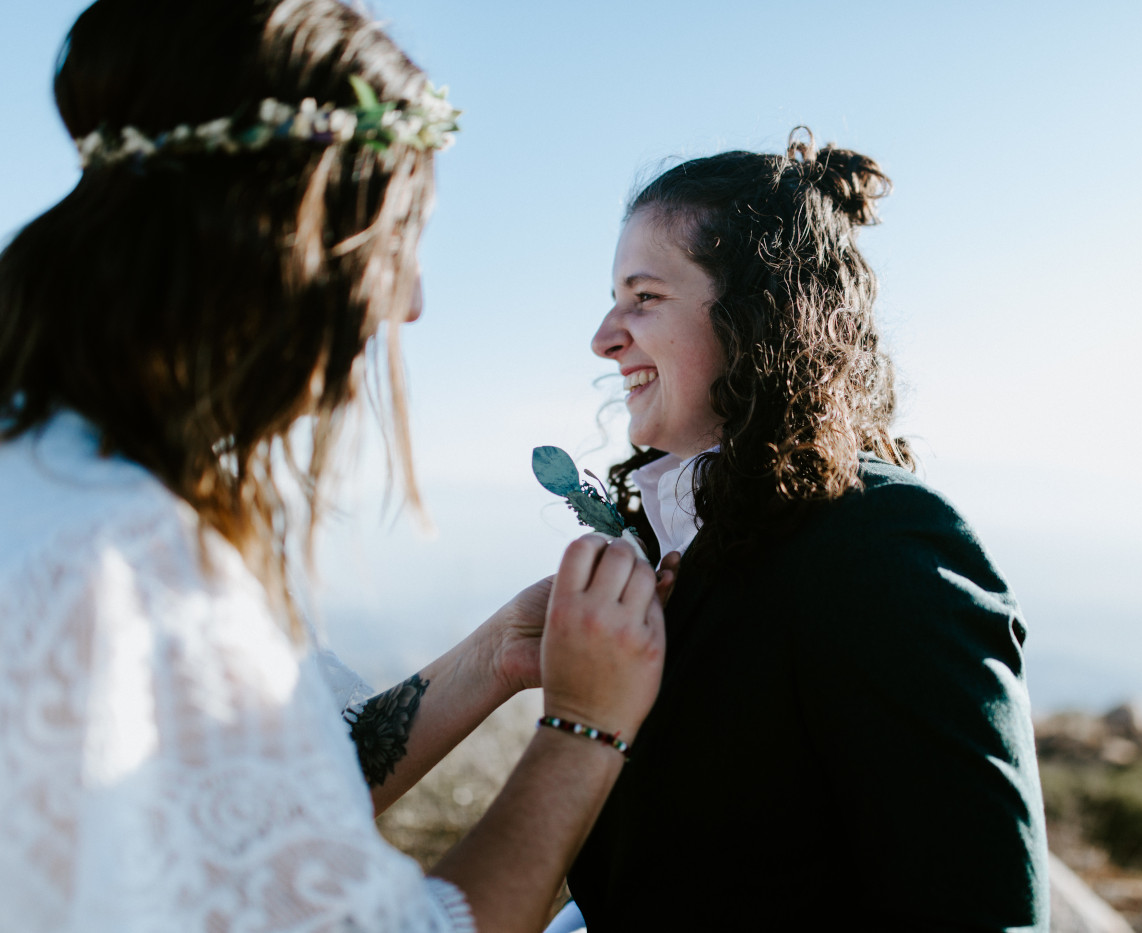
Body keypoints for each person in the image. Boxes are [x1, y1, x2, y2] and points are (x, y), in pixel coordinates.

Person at [0, 2, 666, 932]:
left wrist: (498, 655)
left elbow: (262, 798)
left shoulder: (56, 470)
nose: (414, 299)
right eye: (398, 240)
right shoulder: (132, 569)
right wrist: (585, 728)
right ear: (291, 237)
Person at [568, 129, 1050, 931]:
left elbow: (984, 909)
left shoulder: (886, 544)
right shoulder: (685, 543)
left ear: (761, 310)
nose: (605, 335)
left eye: (643, 296)